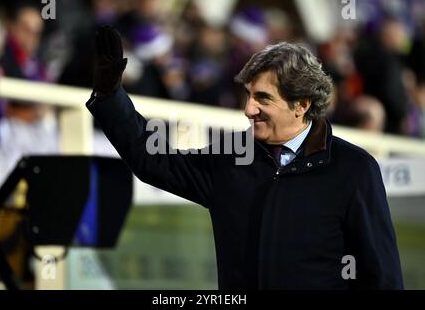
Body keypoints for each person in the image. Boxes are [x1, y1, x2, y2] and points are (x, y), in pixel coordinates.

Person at [86, 26, 404, 289]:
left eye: (263, 98)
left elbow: (382, 277)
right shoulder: (230, 157)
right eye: (249, 95)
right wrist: (111, 96)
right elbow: (154, 160)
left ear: (302, 104)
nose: (249, 109)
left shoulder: (354, 170)